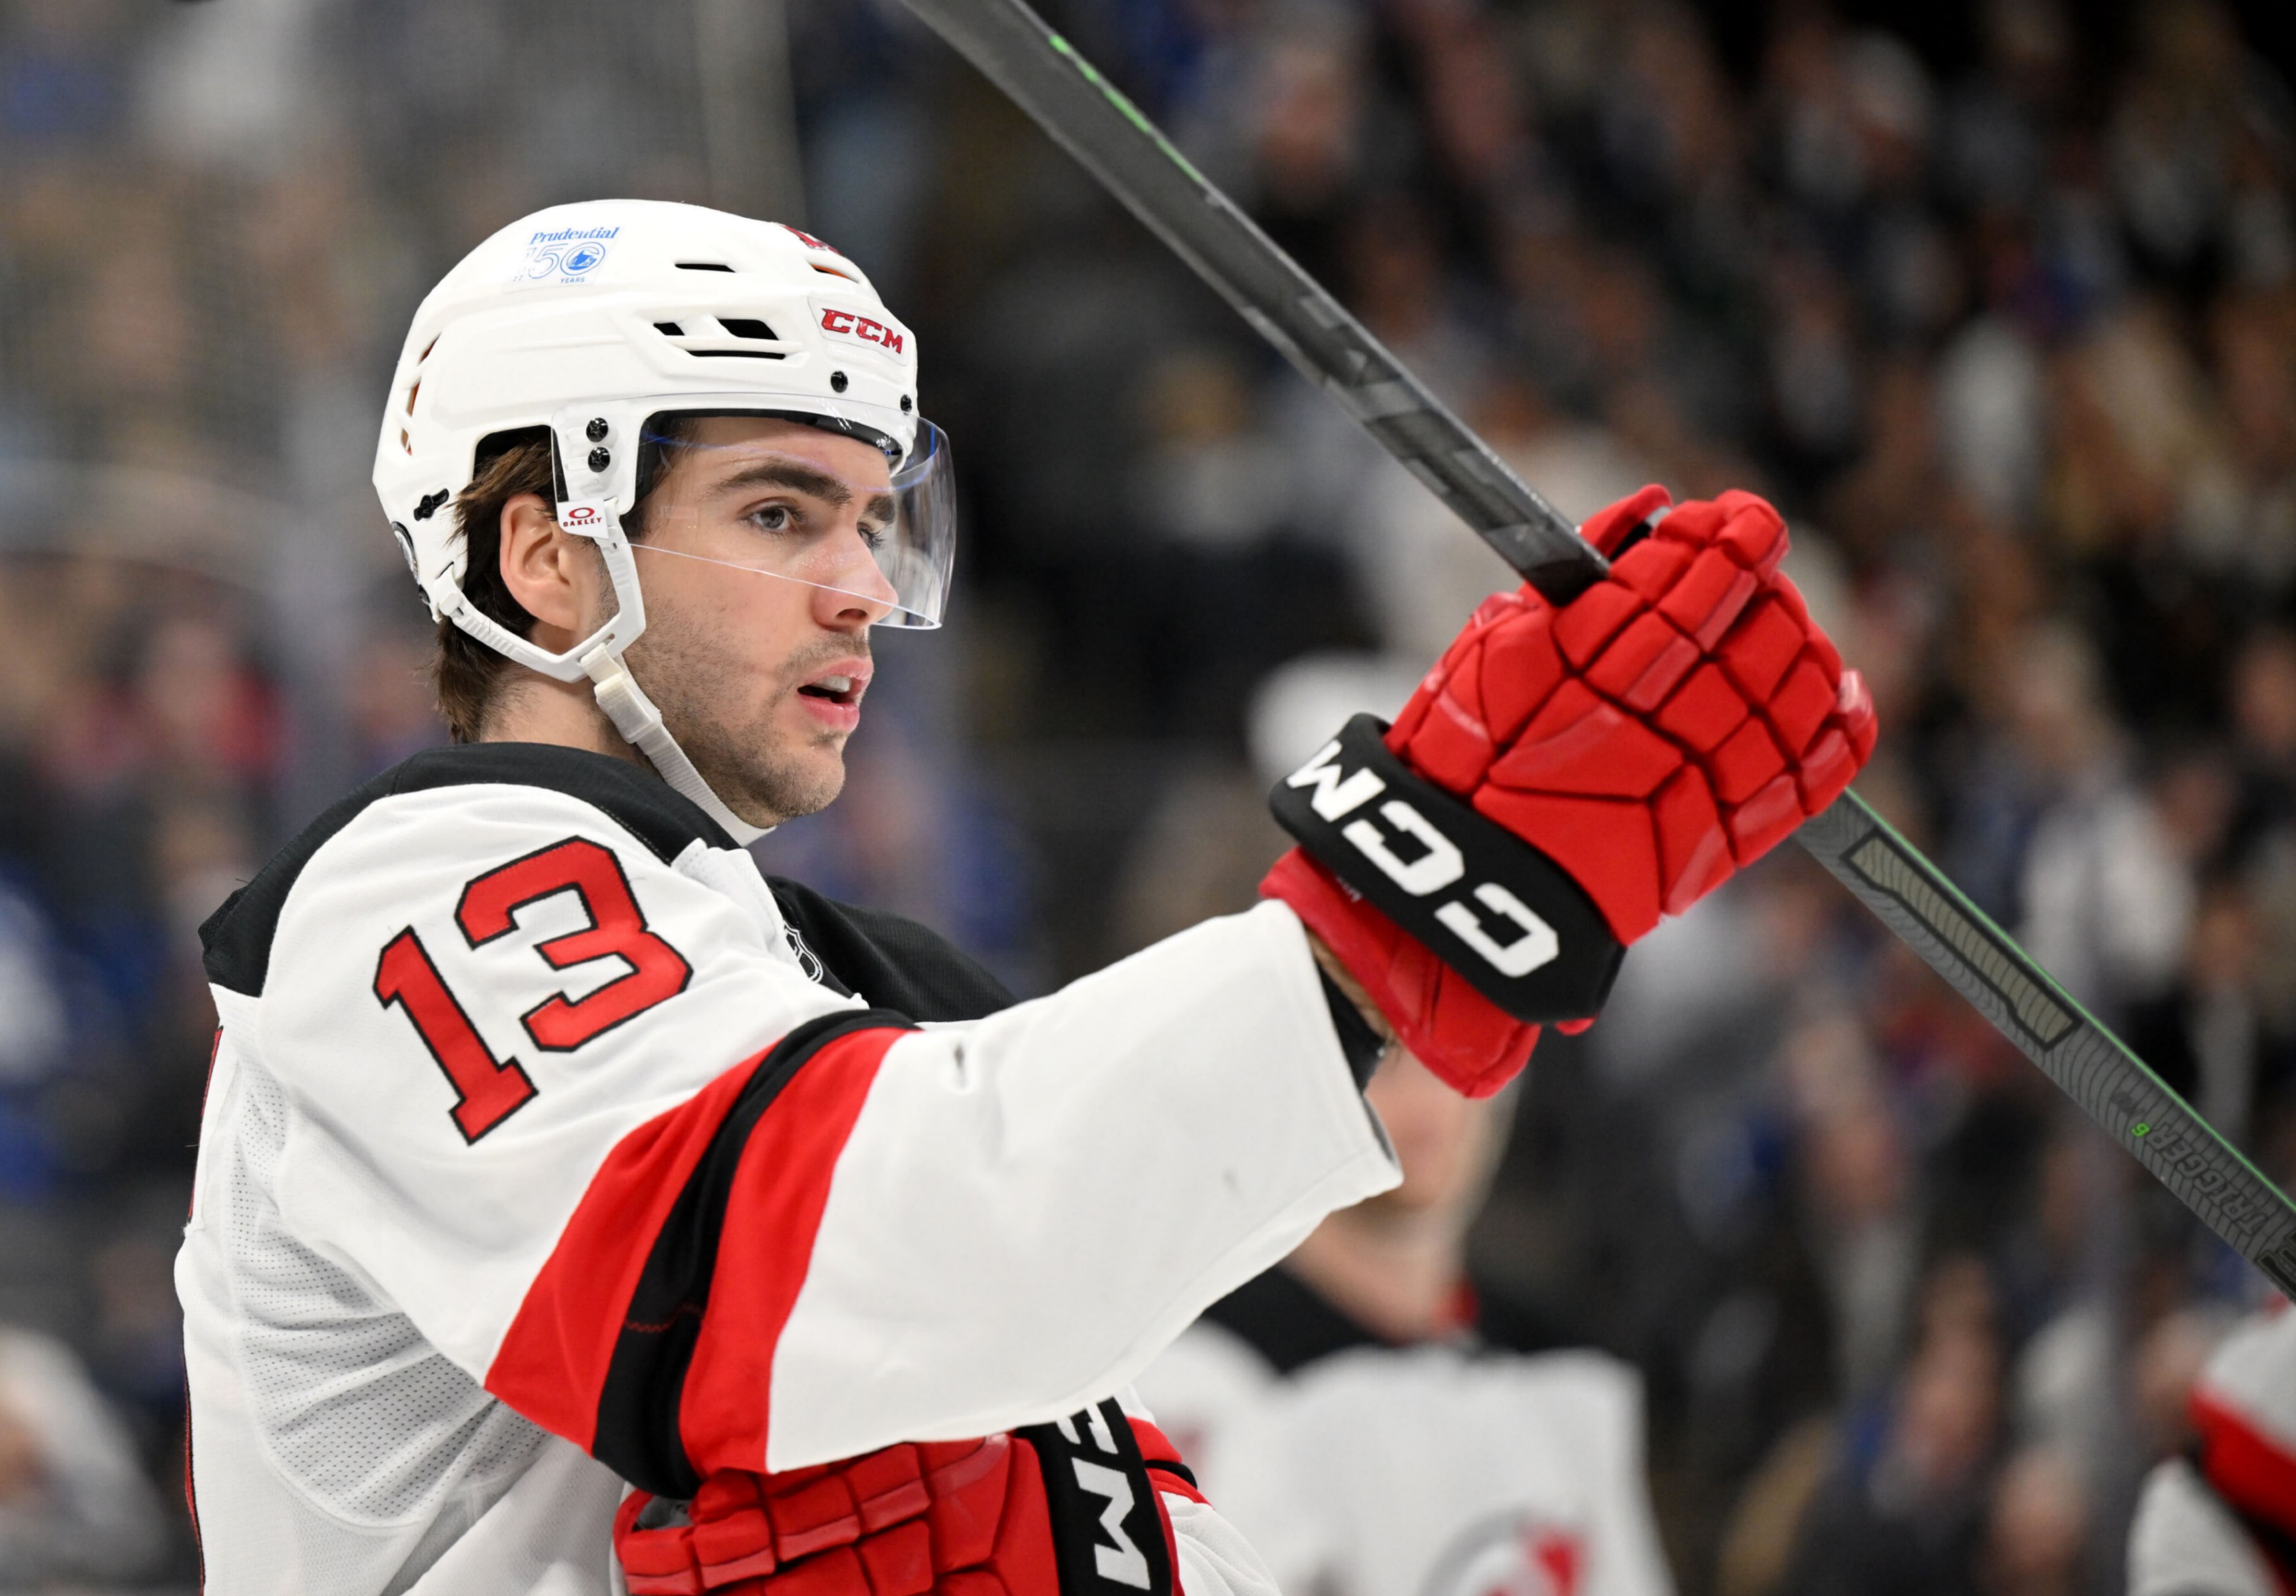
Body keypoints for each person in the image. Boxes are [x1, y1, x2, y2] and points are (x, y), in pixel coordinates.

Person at [174, 201, 1876, 1594]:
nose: (857, 590)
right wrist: (1406, 902)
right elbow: (823, 1266)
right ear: (545, 560)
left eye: (869, 520)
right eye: (778, 512)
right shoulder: (411, 896)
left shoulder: (856, 991)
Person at [1135, 1052, 1675, 1596]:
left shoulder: (1564, 1368)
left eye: (1462, 1050)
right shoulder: (1200, 1375)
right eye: (1386, 1052)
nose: (1428, 1094)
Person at [2127, 1301, 2296, 1595]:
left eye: (2175, 1408)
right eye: (2160, 1414)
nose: (2172, 1426)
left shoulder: (2248, 1395)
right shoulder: (2177, 1516)